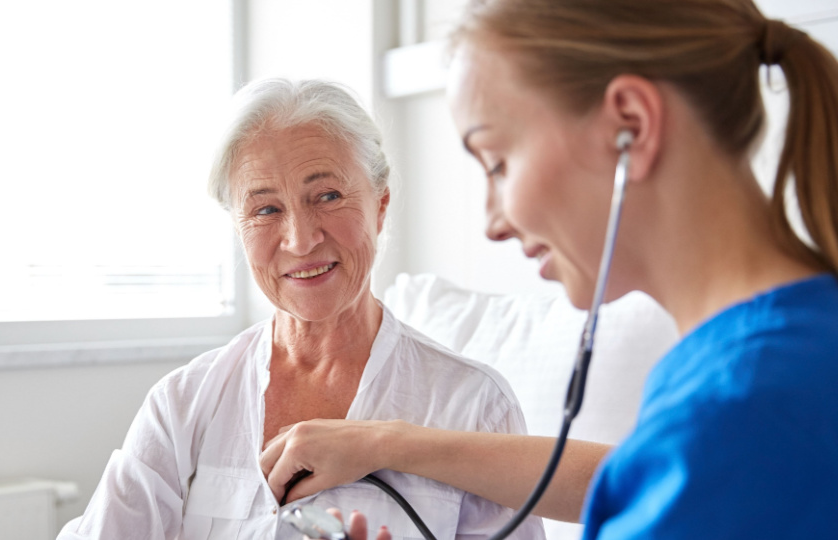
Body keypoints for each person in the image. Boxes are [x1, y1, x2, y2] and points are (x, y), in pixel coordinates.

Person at [259, 0, 838, 537]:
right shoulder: (815, 341)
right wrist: (388, 443)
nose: (492, 221)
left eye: (498, 161)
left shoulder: (744, 411)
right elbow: (631, 477)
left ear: (631, 127)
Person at [57, 79, 544, 540]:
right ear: (238, 230)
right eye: (266, 209)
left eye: (327, 196)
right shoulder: (182, 405)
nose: (301, 239)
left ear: (380, 205)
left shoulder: (474, 405)